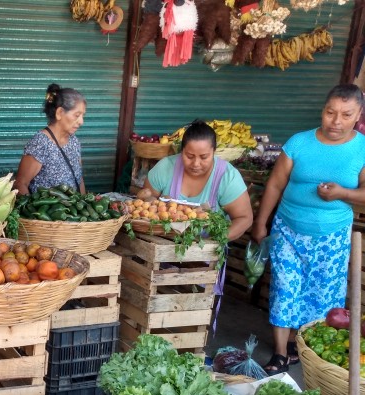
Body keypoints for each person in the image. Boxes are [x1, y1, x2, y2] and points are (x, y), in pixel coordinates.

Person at [251, 84, 365, 374]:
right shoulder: (299, 142)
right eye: (330, 113)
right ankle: (279, 354)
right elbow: (275, 184)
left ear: (358, 115)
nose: (336, 121)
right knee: (285, 288)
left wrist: (342, 193)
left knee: (323, 294)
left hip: (333, 236)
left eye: (345, 114)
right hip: (288, 230)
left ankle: (302, 347)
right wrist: (261, 223)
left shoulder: (361, 148)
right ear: (322, 110)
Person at [142, 120, 254, 242]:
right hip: (163, 244)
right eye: (189, 156)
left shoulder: (227, 177)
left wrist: (210, 243)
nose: (196, 164)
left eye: (204, 157)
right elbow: (144, 202)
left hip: (207, 254)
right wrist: (160, 205)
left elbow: (244, 218)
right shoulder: (165, 167)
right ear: (181, 151)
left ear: (214, 152)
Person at [14, 83, 87, 195]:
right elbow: (20, 184)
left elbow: (79, 179)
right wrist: (33, 211)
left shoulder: (74, 142)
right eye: (77, 115)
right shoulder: (40, 143)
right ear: (59, 113)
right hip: (47, 211)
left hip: (72, 211)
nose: (81, 121)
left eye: (83, 116)